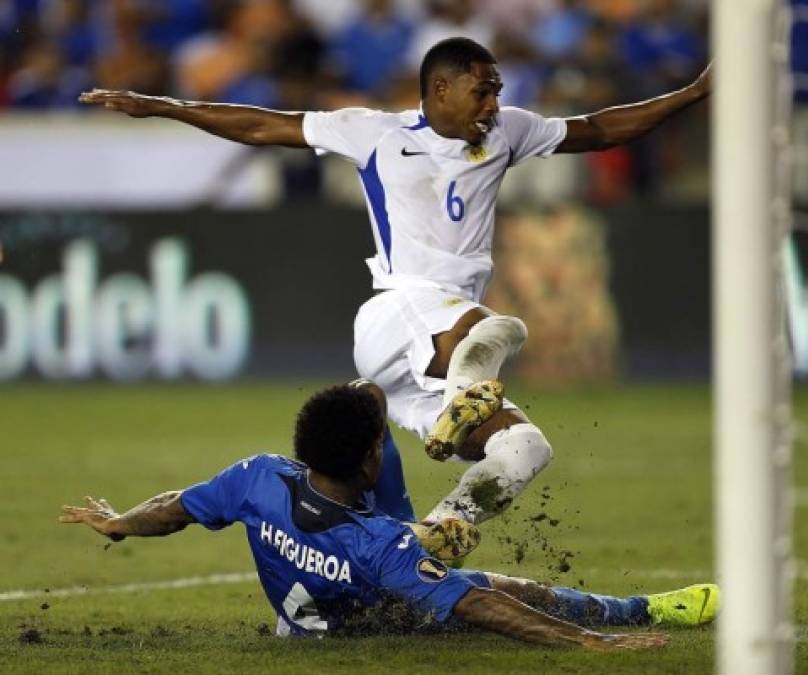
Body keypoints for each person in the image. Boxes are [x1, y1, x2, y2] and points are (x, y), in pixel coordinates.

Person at [78, 37, 711, 526]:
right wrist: (165, 106)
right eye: (482, 91)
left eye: (497, 92)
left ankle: (439, 533)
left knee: (524, 449)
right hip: (400, 312)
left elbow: (600, 130)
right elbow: (261, 125)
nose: (493, 105)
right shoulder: (374, 133)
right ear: (440, 89)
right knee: (497, 326)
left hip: (434, 355)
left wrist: (693, 95)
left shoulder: (507, 132)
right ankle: (468, 391)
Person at [60, 383, 718, 647]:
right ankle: (641, 607)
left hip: (301, 614)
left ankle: (439, 522)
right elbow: (479, 604)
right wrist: (590, 641)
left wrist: (120, 521)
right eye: (379, 444)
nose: (383, 446)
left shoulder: (257, 476)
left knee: (421, 535)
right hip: (371, 611)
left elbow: (173, 507)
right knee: (506, 586)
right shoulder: (376, 543)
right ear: (368, 465)